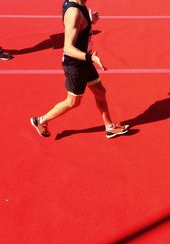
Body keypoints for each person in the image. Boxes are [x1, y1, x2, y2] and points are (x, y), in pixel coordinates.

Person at [30, 0, 128, 139]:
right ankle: (40, 120)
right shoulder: (74, 12)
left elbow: (79, 28)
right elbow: (68, 48)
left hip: (84, 60)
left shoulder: (79, 4)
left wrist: (89, 22)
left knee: (100, 91)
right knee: (73, 102)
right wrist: (90, 58)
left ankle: (109, 127)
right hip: (75, 64)